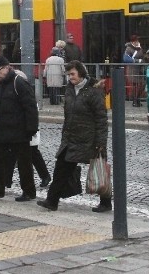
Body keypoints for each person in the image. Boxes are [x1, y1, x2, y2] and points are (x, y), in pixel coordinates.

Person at [37, 60, 111, 212]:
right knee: (61, 168)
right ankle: (52, 201)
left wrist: (101, 142)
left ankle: (105, 203)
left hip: (90, 138)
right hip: (71, 138)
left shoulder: (94, 90)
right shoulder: (70, 89)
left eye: (73, 74)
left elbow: (101, 119)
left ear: (81, 73)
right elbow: (67, 114)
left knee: (99, 170)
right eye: (68, 74)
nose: (70, 77)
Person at [0, 55, 38, 202]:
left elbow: (30, 107)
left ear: (7, 67)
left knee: (24, 163)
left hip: (19, 131)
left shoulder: (18, 83)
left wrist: (31, 129)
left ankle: (29, 191)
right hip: (1, 131)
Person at [123, 35, 144, 107]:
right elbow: (126, 59)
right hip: (132, 69)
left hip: (139, 69)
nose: (138, 41)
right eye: (136, 40)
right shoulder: (129, 48)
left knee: (141, 85)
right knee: (135, 86)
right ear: (133, 41)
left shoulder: (139, 47)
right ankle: (135, 101)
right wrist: (138, 61)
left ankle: (137, 99)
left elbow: (142, 56)